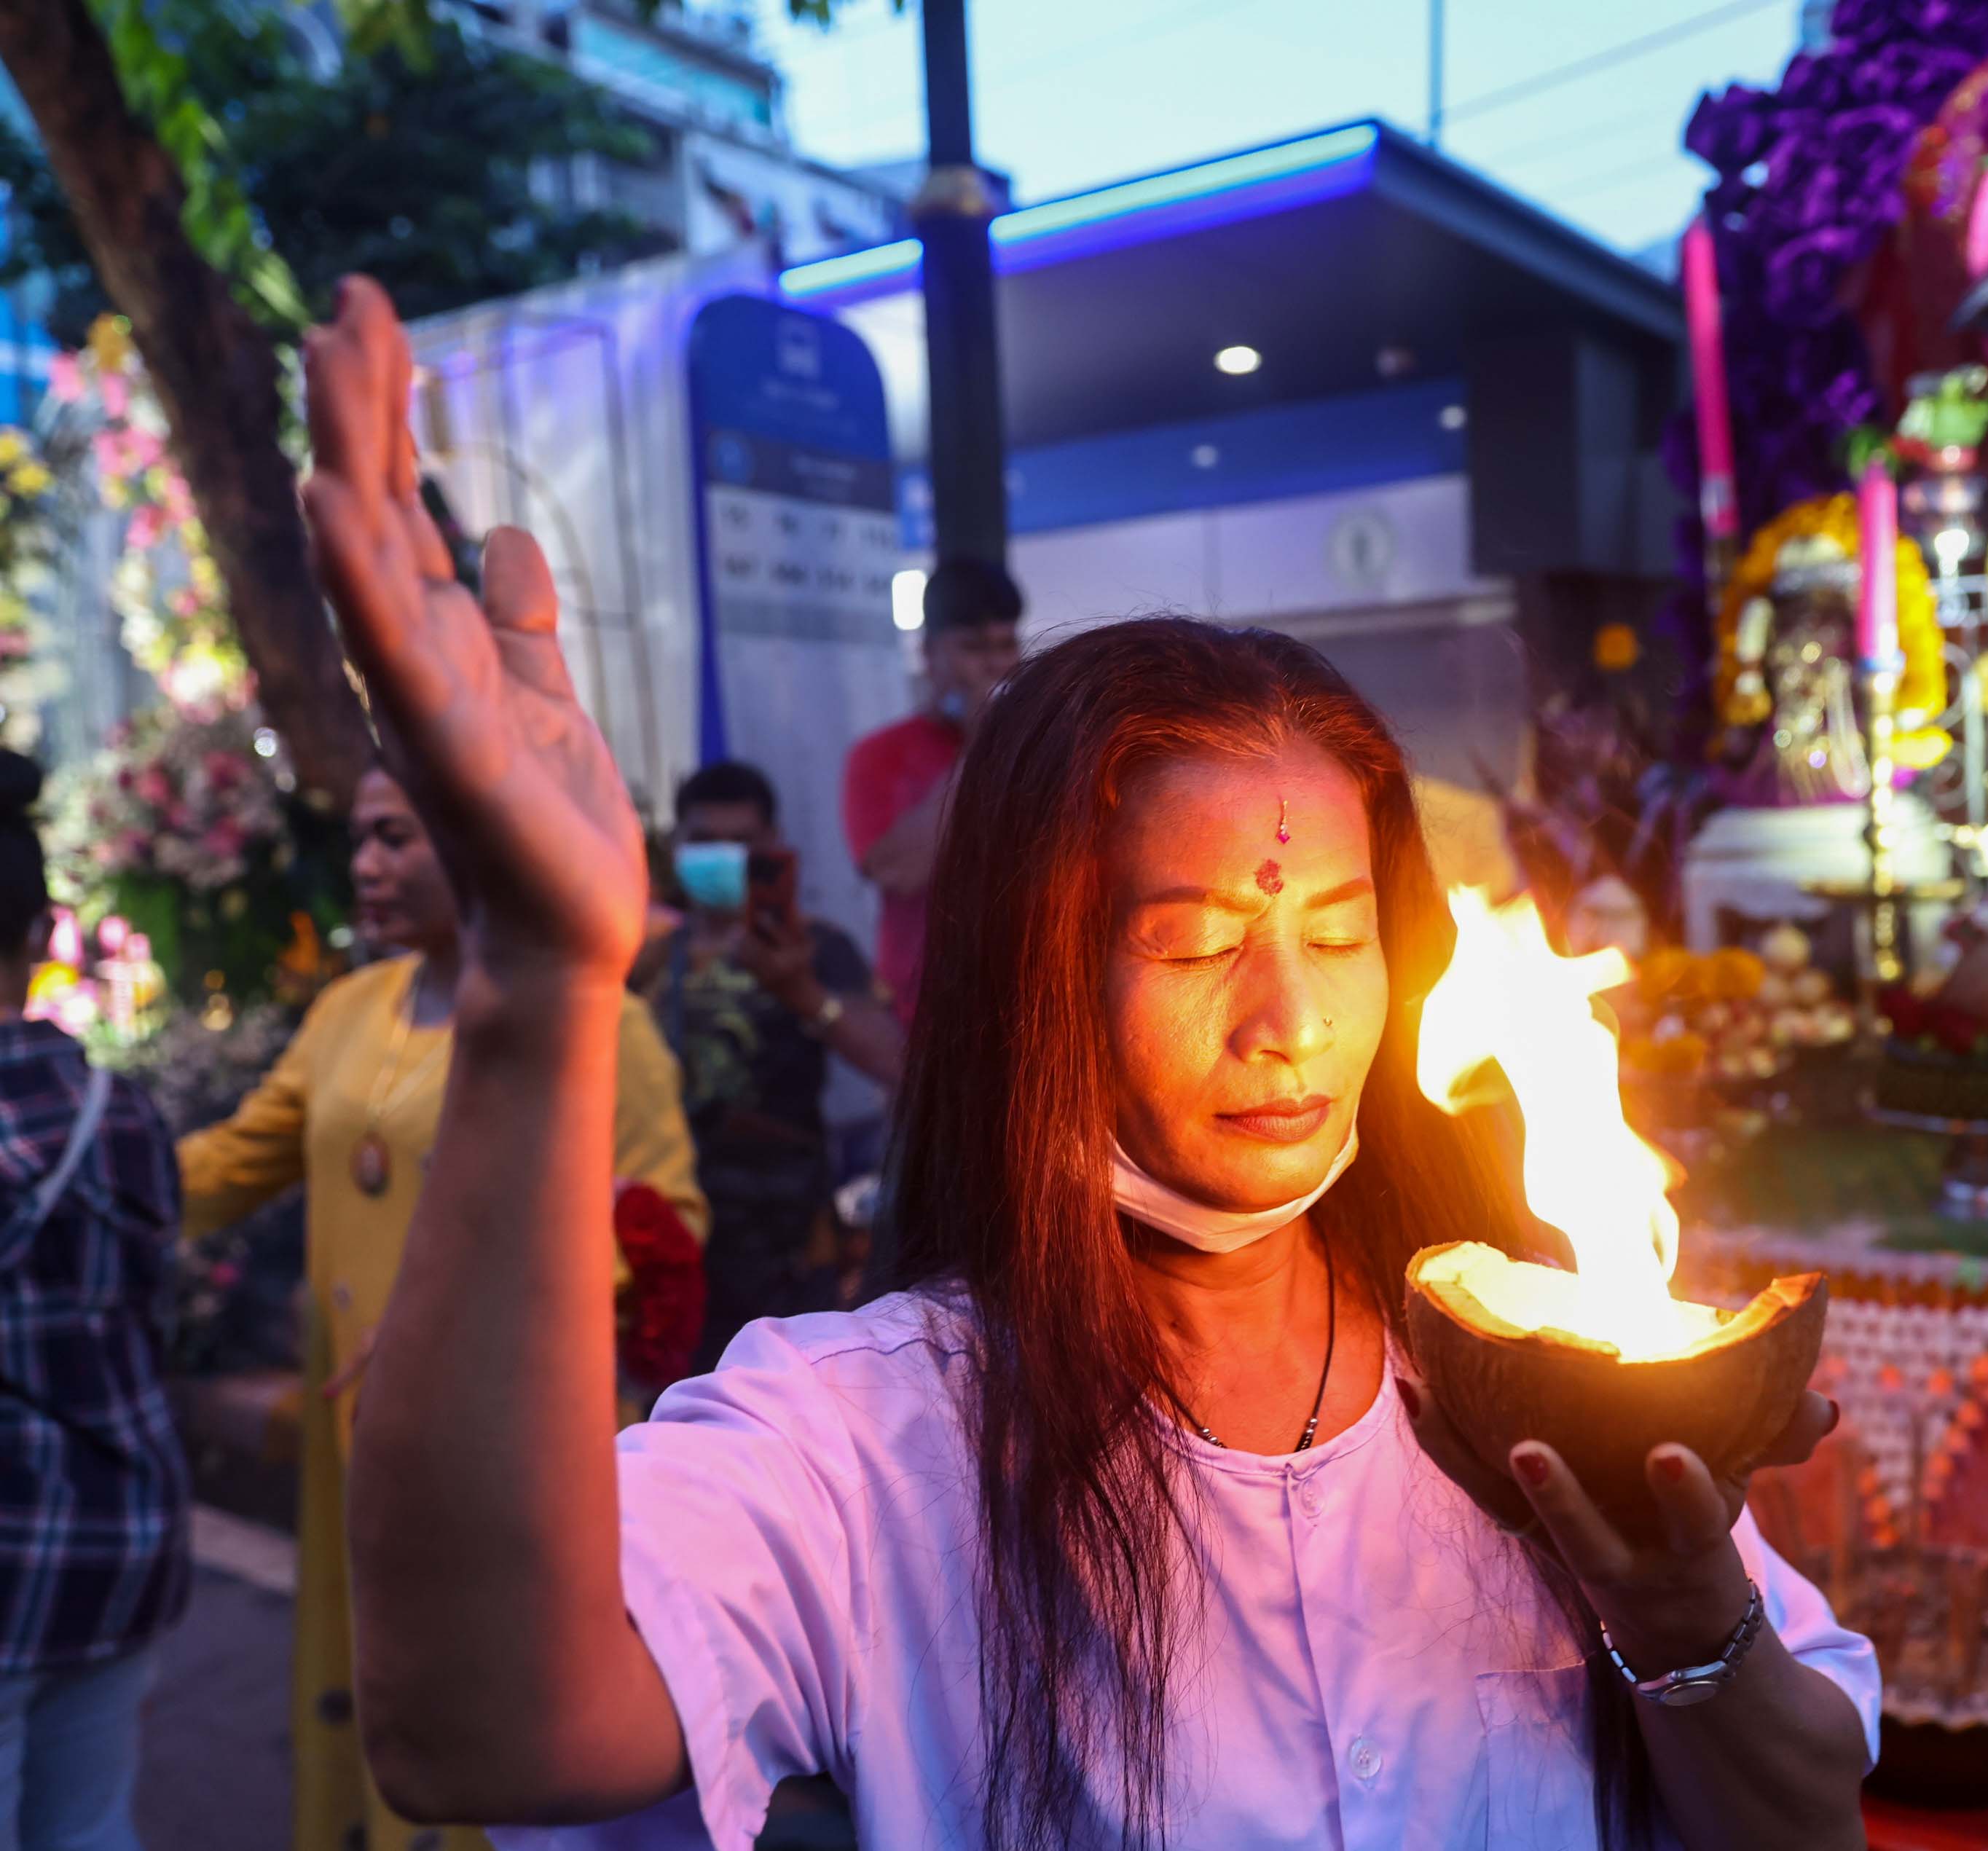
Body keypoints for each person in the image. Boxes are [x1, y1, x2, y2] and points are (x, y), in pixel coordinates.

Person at [307, 280, 1877, 1850]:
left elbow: (1801, 1821)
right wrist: (538, 974)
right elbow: (480, 1728)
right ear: (1037, 978)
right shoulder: (876, 1438)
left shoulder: (1524, 1392)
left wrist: (1675, 1604)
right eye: (1194, 943)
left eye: (1339, 933)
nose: (1289, 1020)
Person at [177, 765, 710, 1851]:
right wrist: (81, 1157)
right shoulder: (346, 1013)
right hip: (365, 1433)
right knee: (390, 1692)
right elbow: (231, 1163)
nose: (365, 865)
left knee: (509, 1731)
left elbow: (666, 1223)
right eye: (360, 840)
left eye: (391, 838)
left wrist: (469, 1309)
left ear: (472, 839)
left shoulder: (597, 1021)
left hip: (520, 1453)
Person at [0, 750, 185, 1851]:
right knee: (91, 1827)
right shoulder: (117, 1107)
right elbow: (151, 1317)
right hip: (119, 1537)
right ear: (40, 933)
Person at [645, 759, 902, 1369]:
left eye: (742, 843)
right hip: (678, 1236)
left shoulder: (816, 946)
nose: (722, 858)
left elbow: (897, 1061)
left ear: (772, 849)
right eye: (705, 842)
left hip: (791, 1241)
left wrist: (803, 992)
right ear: (677, 847)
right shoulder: (650, 961)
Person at [840, 556, 1021, 1015]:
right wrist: (979, 747)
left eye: (1006, 646)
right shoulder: (880, 755)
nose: (995, 666)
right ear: (929, 653)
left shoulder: (1037, 748)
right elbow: (898, 873)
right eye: (975, 649)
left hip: (1026, 1000)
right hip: (923, 1010)